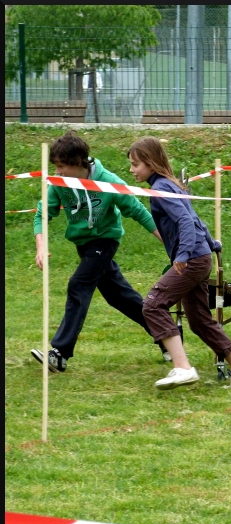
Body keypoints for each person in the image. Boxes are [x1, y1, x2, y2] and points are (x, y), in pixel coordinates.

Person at [30, 130, 169, 373]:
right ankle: (169, 335)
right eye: (55, 167)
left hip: (105, 240)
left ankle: (60, 353)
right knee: (119, 297)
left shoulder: (108, 181)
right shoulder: (59, 183)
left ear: (78, 163)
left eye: (62, 166)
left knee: (78, 285)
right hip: (83, 244)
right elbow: (43, 213)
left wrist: (170, 245)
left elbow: (138, 211)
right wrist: (41, 248)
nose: (58, 172)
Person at [127, 136, 231, 390]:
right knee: (198, 319)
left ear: (151, 163)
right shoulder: (170, 185)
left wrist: (183, 255)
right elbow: (196, 218)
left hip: (192, 260)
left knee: (153, 304)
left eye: (136, 164)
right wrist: (211, 243)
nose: (132, 170)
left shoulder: (162, 188)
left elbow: (186, 222)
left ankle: (183, 368)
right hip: (200, 257)